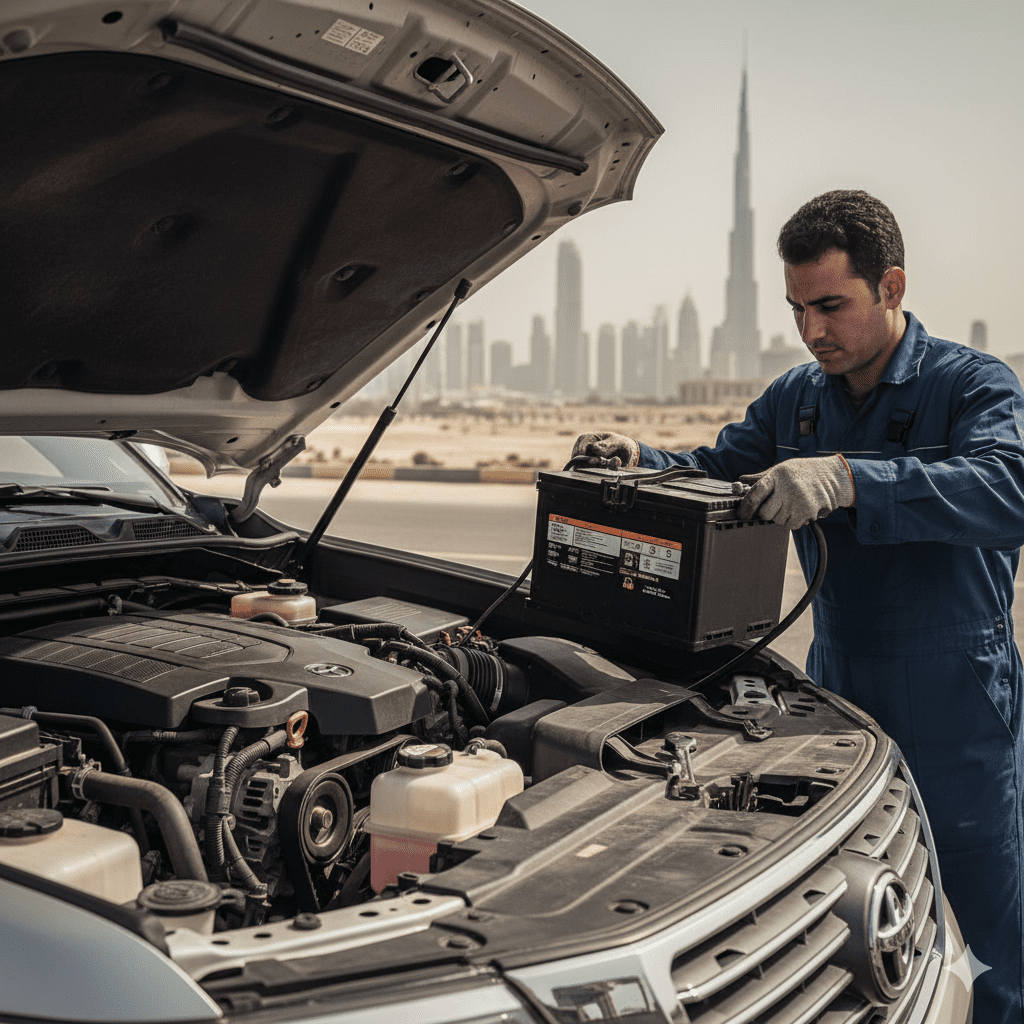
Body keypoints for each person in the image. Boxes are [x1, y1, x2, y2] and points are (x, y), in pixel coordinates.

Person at [573, 190, 1024, 1021]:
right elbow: (718, 467)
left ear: (890, 286)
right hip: (837, 691)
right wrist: (640, 456)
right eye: (796, 309)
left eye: (830, 306)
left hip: (958, 697)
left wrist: (851, 478)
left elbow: (1009, 488)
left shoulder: (971, 384)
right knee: (855, 909)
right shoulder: (797, 399)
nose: (812, 331)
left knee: (980, 929)